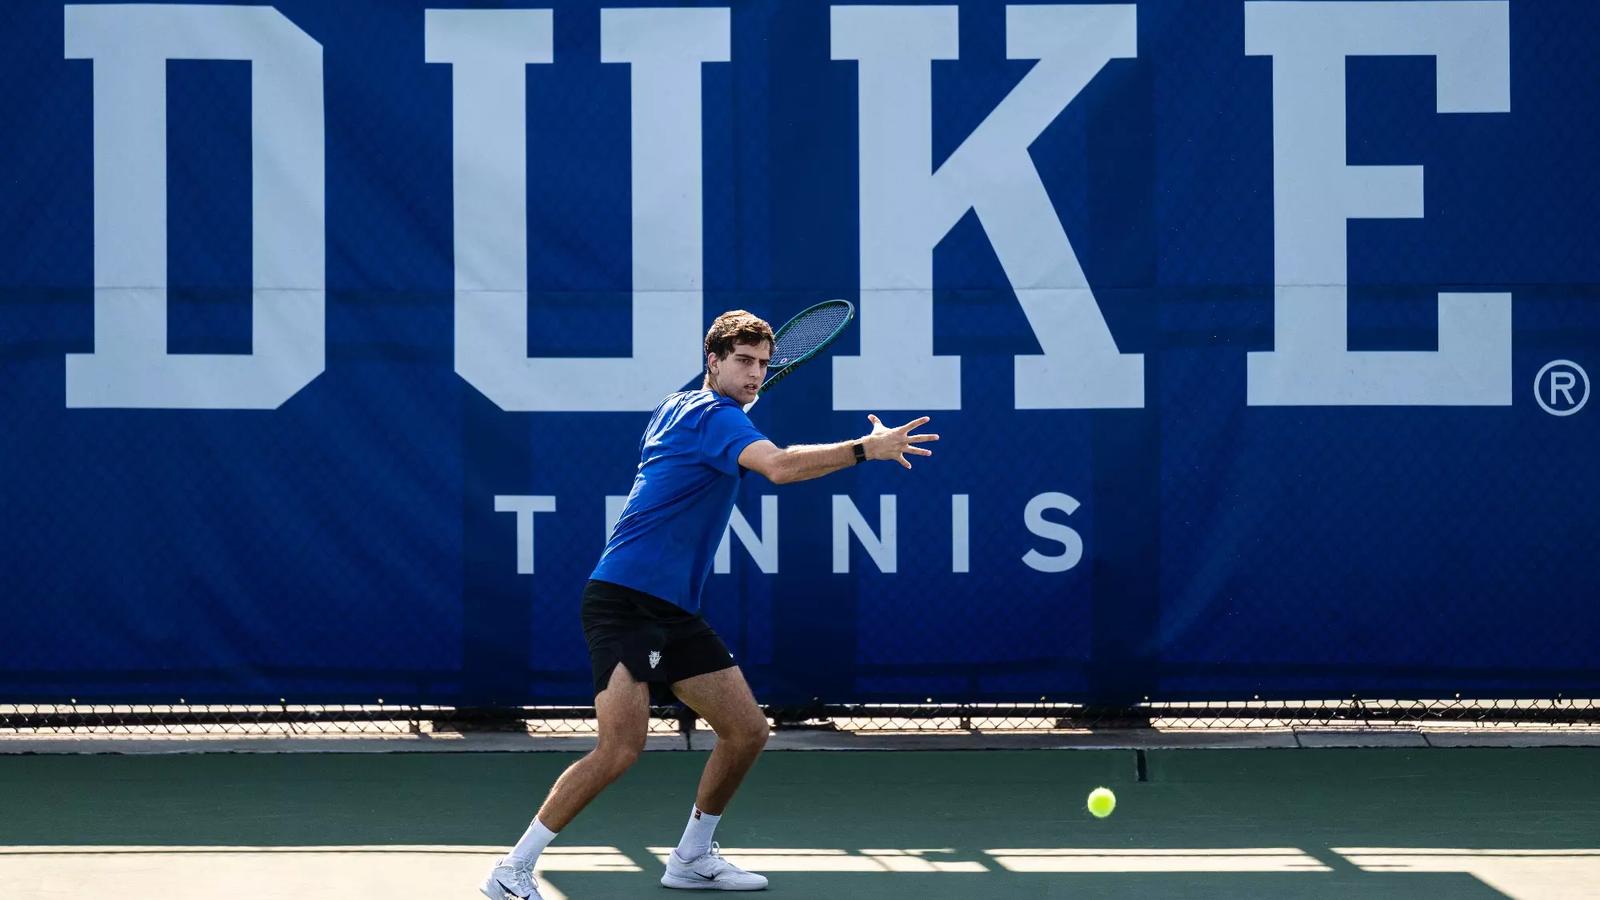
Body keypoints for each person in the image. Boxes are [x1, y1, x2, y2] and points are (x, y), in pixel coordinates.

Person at [481, 309, 939, 898]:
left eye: (764, 365)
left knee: (746, 730)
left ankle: (692, 857)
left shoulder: (679, 405)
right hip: (625, 601)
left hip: (672, 609)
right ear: (714, 362)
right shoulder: (712, 416)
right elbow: (776, 466)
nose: (755, 374)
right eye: (743, 362)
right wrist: (863, 449)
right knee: (621, 748)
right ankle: (512, 869)